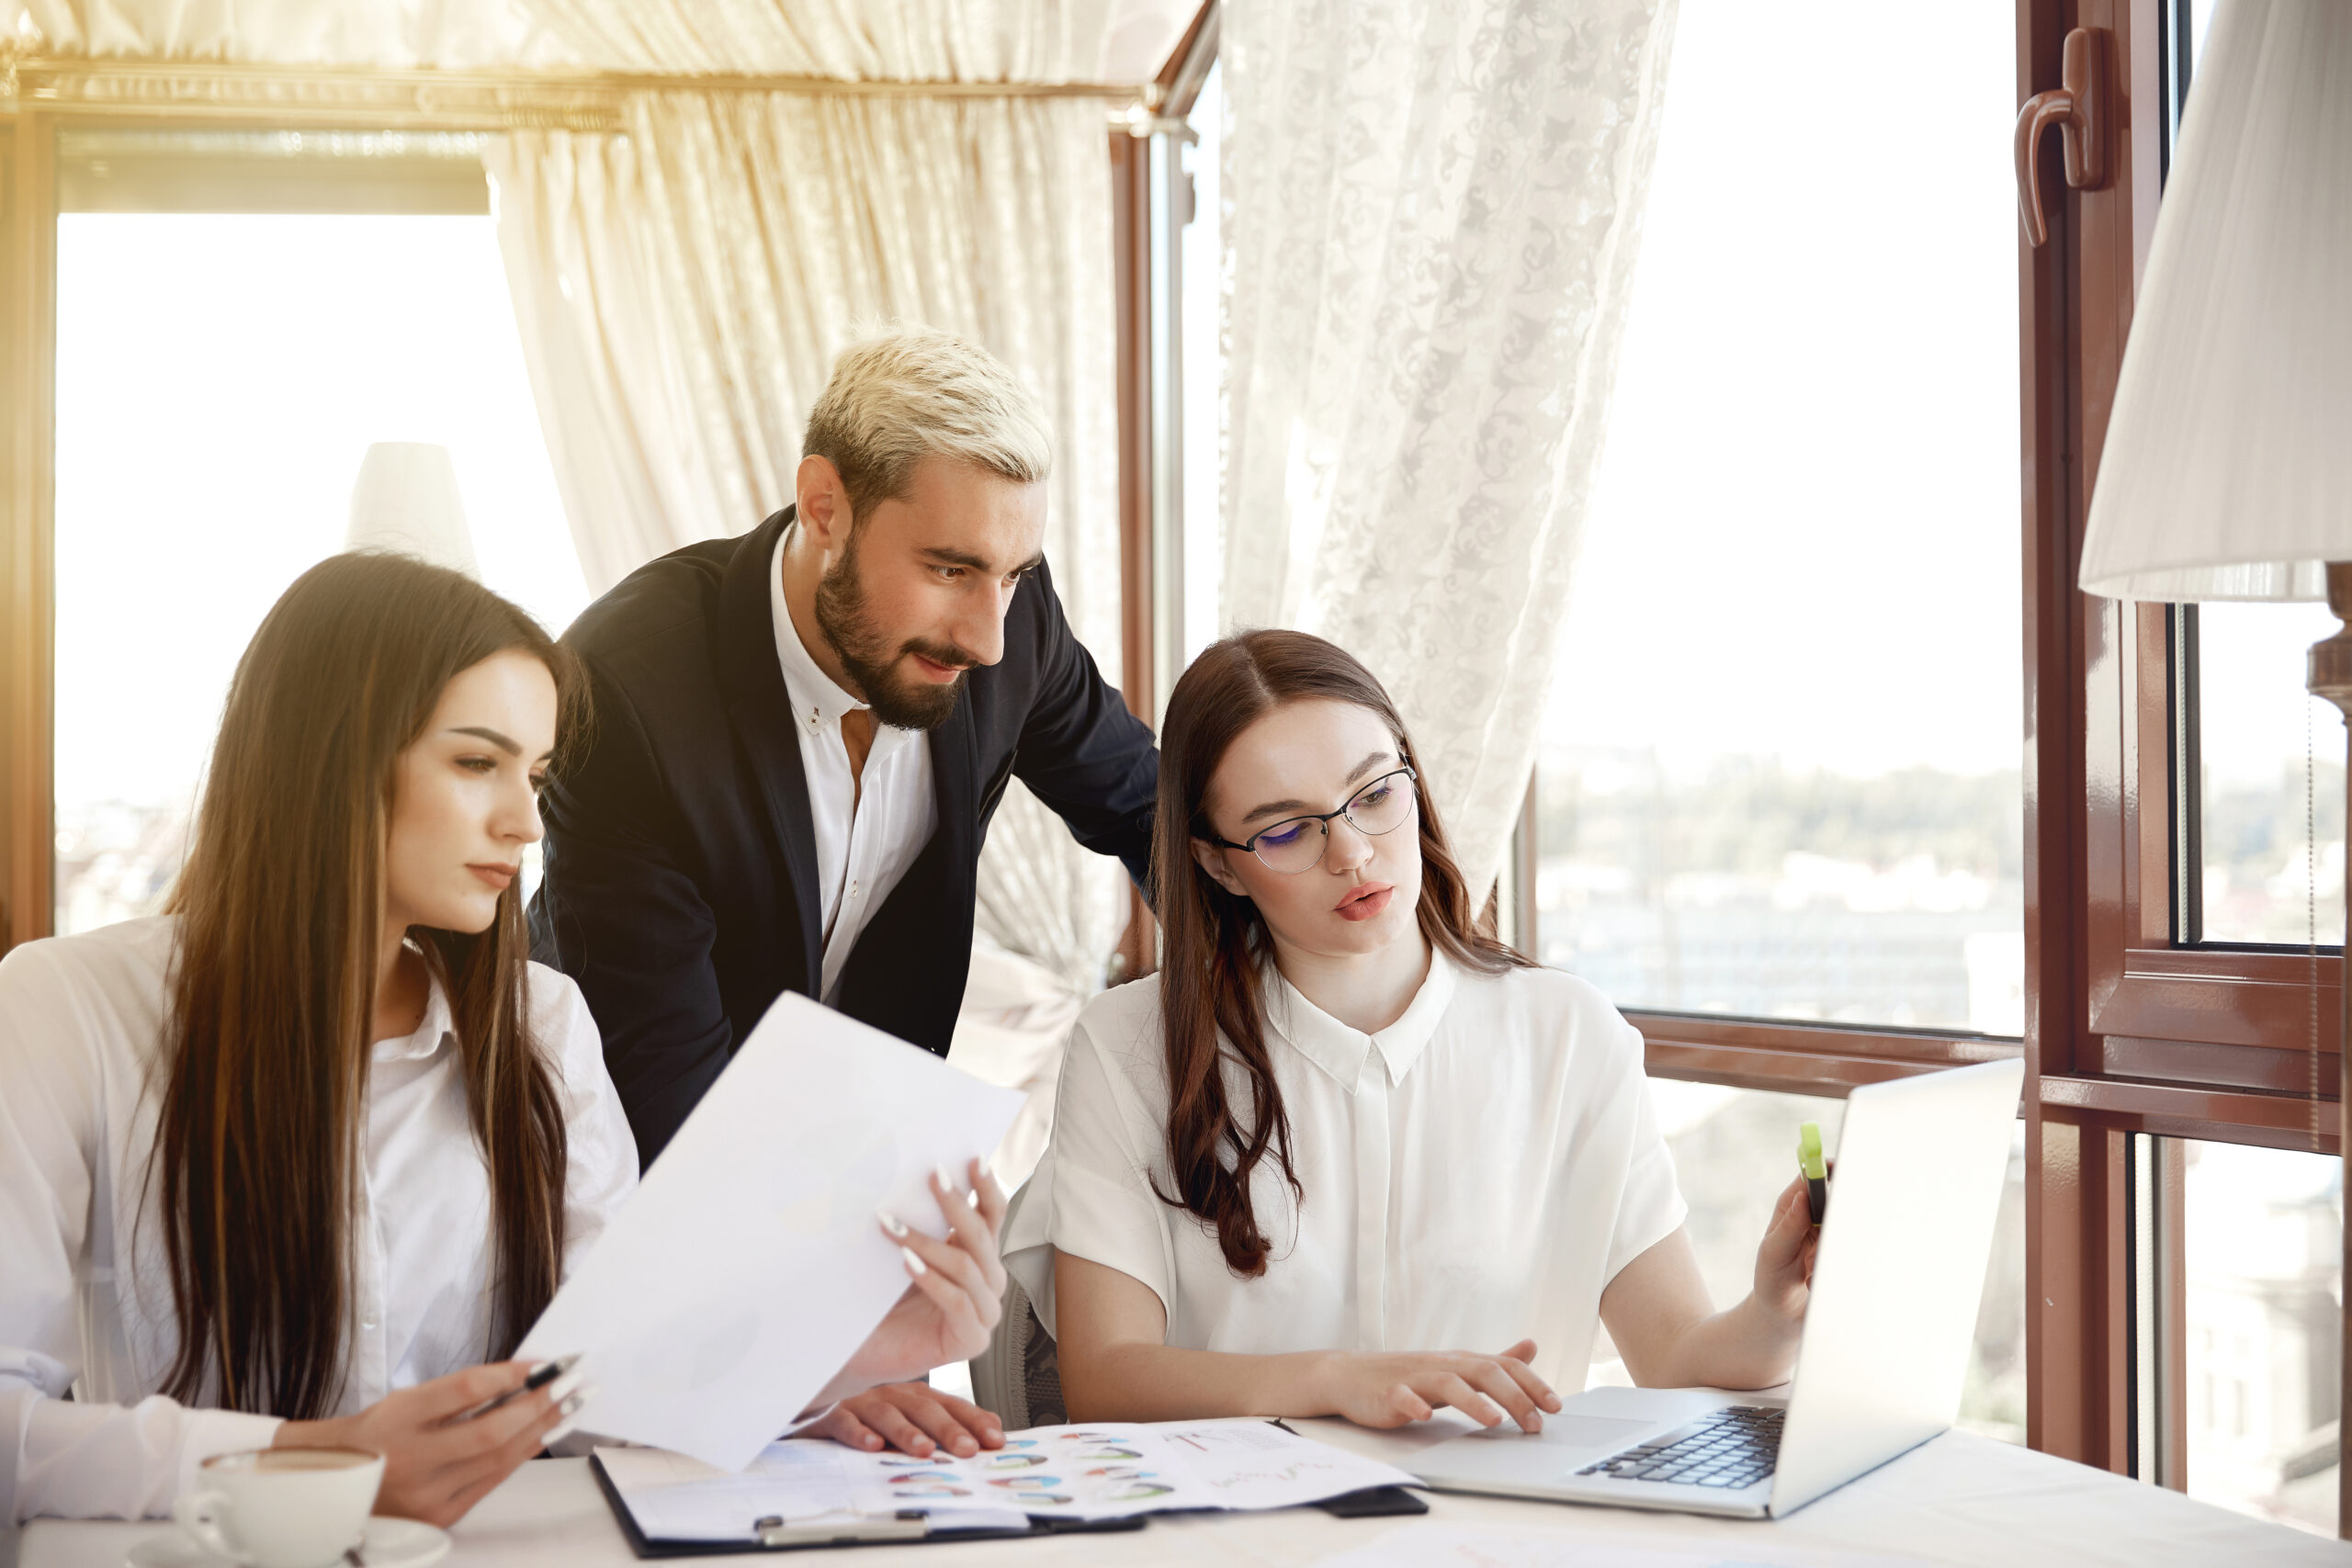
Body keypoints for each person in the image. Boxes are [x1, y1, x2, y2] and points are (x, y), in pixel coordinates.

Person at [0, 555, 1009, 1528]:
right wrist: (320, 1463)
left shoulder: (542, 1025)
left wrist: (840, 1362)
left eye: (538, 772)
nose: (527, 821)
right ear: (329, 756)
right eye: (478, 762)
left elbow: (606, 1380)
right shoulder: (68, 1012)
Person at [532, 326, 1156, 1460]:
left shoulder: (1006, 628)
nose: (984, 631)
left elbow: (1150, 808)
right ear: (825, 505)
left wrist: (1296, 959)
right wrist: (811, 1374)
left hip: (858, 1199)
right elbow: (667, 1081)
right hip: (636, 1214)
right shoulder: (627, 689)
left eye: (1010, 575)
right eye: (950, 569)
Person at [1005, 630, 1817, 1429]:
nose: (1353, 852)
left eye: (1375, 793)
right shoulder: (1128, 1045)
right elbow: (1106, 1377)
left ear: (1412, 778)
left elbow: (1675, 1356)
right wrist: (1336, 1379)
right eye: (1287, 830)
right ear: (1219, 863)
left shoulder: (1569, 1033)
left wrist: (1776, 1310)